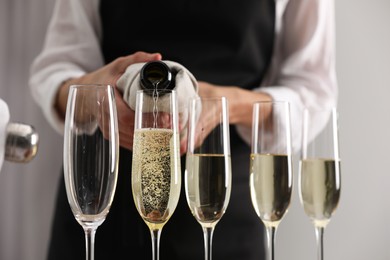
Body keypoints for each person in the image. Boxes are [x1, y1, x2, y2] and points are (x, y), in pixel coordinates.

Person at [29, 0, 338, 259]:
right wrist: (96, 98)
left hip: (225, 211)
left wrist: (225, 103)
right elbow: (57, 68)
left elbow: (314, 91)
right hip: (104, 206)